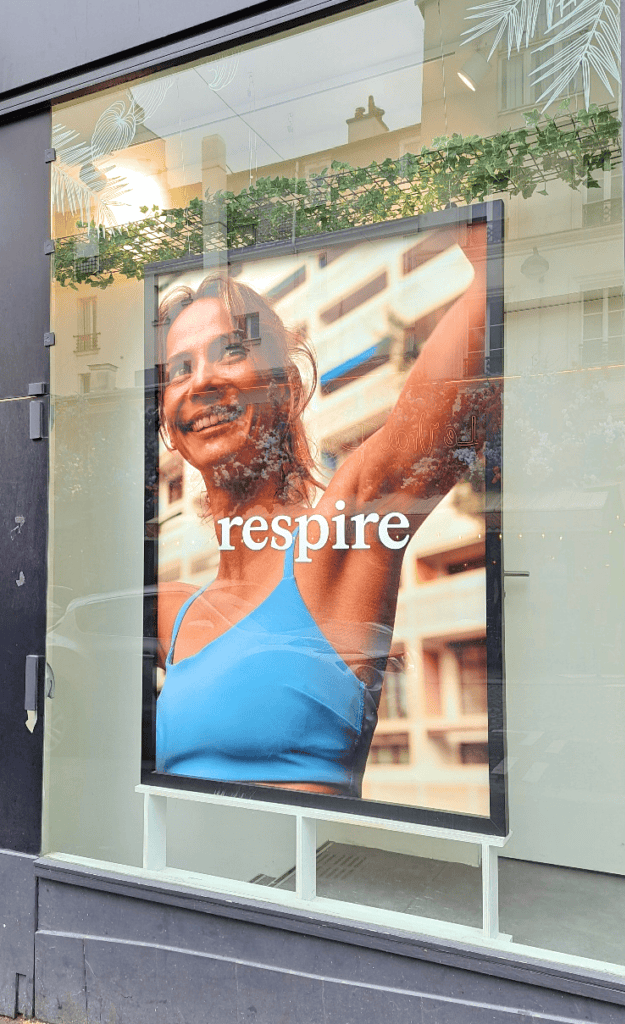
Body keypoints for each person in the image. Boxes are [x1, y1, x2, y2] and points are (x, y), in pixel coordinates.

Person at [155, 221, 500, 797]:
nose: (203, 380)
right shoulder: (172, 614)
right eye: (179, 369)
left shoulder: (338, 540)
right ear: (168, 424)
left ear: (286, 389)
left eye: (230, 352)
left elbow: (493, 295)